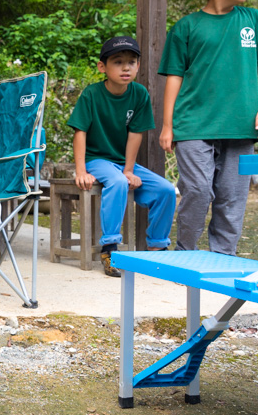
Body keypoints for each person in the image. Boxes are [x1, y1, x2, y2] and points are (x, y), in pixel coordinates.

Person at [159, 0, 258, 255]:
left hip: (241, 125)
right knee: (198, 191)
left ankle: (223, 259)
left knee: (232, 197)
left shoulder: (254, 20)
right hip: (193, 125)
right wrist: (167, 125)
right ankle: (186, 254)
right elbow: (174, 78)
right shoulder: (186, 28)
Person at [68, 36, 177, 277]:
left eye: (131, 62)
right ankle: (110, 249)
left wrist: (129, 169)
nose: (126, 67)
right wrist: (81, 170)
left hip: (122, 163)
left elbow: (136, 135)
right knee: (116, 182)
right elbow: (80, 132)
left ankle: (157, 248)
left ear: (138, 66)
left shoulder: (139, 94)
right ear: (102, 67)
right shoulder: (92, 94)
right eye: (118, 62)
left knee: (165, 190)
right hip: (96, 160)